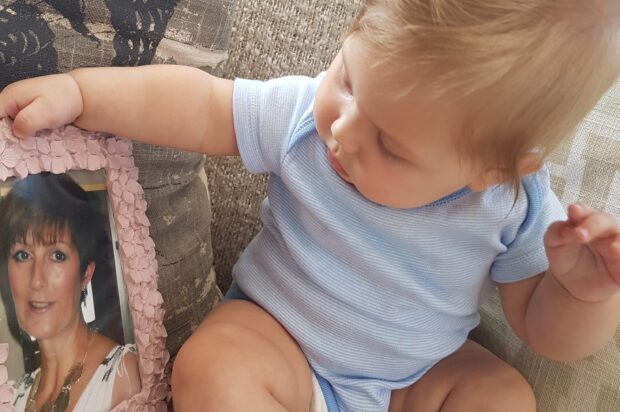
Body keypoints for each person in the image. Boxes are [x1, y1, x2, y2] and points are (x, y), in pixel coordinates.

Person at [0, 0, 619, 410]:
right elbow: (196, 104)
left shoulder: (512, 204)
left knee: (505, 398)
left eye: (390, 145)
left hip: (413, 380)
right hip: (279, 338)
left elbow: (543, 332)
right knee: (212, 368)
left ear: (493, 168)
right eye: (347, 78)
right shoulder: (301, 118)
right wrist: (81, 93)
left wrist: (582, 295)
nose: (343, 131)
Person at [0, 173, 141, 412]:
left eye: (57, 255)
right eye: (23, 255)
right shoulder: (14, 397)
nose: (36, 280)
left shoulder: (122, 375)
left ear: (85, 274)